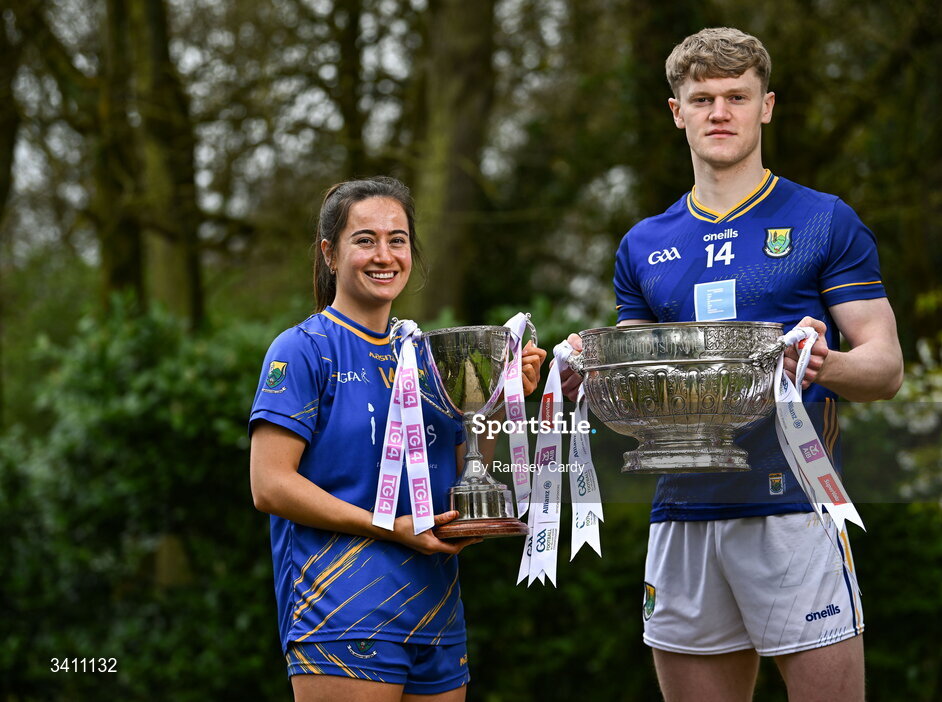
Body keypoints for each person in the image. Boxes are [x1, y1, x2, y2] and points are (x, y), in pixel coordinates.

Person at [563, 28, 903, 702]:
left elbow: (885, 366)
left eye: (737, 96)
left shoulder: (823, 221)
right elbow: (640, 378)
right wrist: (585, 373)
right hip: (681, 511)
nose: (720, 112)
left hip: (792, 509)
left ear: (766, 106)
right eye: (703, 97)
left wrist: (820, 364)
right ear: (676, 111)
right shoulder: (644, 244)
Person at [249, 177, 546, 701]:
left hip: (437, 609)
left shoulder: (429, 356)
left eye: (398, 239)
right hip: (342, 610)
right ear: (330, 253)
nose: (383, 254)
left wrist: (501, 399)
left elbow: (465, 471)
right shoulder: (302, 349)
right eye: (364, 239)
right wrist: (390, 527)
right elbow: (269, 485)